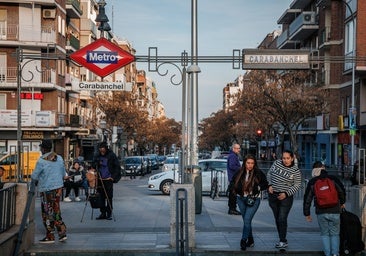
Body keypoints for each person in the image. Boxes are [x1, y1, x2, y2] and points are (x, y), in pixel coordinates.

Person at [303, 161, 346, 256]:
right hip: (335, 210)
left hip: (321, 211)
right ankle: (335, 254)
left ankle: (328, 254)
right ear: (323, 168)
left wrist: (307, 213)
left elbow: (307, 198)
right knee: (335, 234)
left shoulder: (313, 182)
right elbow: (341, 191)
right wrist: (342, 202)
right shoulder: (333, 179)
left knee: (325, 234)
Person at [31, 139, 67, 243]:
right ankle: (62, 233)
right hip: (58, 189)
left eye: (41, 147)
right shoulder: (59, 158)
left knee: (47, 212)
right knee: (56, 210)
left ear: (43, 149)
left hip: (47, 190)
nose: (41, 149)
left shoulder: (42, 160)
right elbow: (63, 173)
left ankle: (50, 236)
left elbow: (35, 176)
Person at [232, 154, 268, 251]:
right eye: (248, 163)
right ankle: (251, 239)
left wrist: (258, 188)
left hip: (254, 199)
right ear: (244, 163)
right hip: (241, 199)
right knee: (246, 221)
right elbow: (232, 183)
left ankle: (243, 240)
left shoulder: (258, 173)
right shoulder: (239, 172)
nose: (250, 165)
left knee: (247, 220)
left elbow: (265, 184)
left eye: (252, 163)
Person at [267, 149, 302, 250]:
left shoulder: (295, 170)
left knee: (282, 218)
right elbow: (269, 174)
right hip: (273, 196)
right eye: (284, 158)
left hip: (285, 198)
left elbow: (297, 185)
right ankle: (282, 239)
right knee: (277, 218)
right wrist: (269, 185)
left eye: (287, 158)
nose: (285, 160)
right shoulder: (277, 163)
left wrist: (286, 193)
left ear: (292, 158)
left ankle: (283, 240)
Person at [92, 142, 121, 220]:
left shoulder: (111, 155)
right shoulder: (97, 155)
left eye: (103, 148)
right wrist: (96, 163)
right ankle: (103, 213)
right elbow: (93, 165)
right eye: (100, 149)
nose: (102, 150)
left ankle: (109, 213)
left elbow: (117, 167)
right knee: (101, 197)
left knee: (109, 197)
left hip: (108, 180)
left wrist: (113, 177)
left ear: (106, 148)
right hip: (100, 180)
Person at [226, 143, 242, 215]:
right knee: (233, 194)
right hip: (234, 178)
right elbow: (232, 166)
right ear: (233, 149)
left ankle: (232, 209)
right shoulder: (233, 156)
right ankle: (232, 209)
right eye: (238, 148)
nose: (239, 150)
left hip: (233, 178)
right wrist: (240, 169)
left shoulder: (233, 155)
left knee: (233, 194)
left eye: (239, 148)